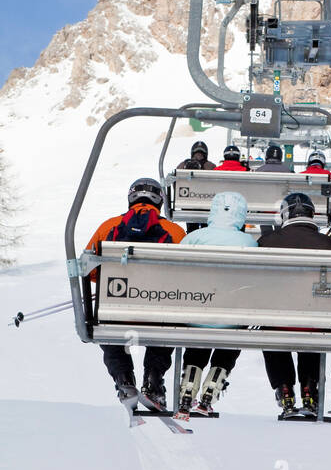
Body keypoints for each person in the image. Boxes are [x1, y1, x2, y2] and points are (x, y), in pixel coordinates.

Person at [85, 178, 185, 405]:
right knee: (168, 321)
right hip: (158, 310)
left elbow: (89, 270)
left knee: (108, 323)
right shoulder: (174, 231)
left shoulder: (108, 227)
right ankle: (154, 379)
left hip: (116, 309)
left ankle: (124, 379)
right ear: (159, 200)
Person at [258, 192, 331, 419]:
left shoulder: (266, 243)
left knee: (271, 328)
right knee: (315, 322)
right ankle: (309, 388)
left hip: (278, 323)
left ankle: (284, 388)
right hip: (316, 324)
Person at [176, 191, 258, 416]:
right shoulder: (249, 243)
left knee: (199, 329)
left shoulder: (195, 238)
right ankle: (214, 382)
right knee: (231, 332)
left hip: (196, 314)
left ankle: (188, 384)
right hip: (231, 320)